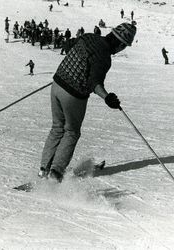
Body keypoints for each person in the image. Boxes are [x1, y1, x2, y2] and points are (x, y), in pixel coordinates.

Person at [38, 22, 137, 182]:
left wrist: (73, 65)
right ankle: (55, 174)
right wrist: (107, 97)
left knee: (57, 128)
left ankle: (44, 170)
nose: (122, 49)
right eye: (124, 46)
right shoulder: (104, 57)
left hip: (57, 85)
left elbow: (69, 45)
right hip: (73, 94)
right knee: (71, 132)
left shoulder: (89, 36)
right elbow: (95, 83)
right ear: (119, 43)